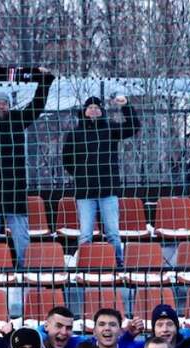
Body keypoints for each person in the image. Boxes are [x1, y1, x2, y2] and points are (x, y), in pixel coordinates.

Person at [0, 68, 54, 268]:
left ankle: (25, 268)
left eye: (4, 103)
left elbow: (37, 105)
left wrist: (45, 82)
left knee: (21, 234)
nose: (1, 106)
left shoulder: (17, 119)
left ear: (9, 105)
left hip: (14, 187)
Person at [61, 94, 140, 266]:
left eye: (97, 107)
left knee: (112, 233)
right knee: (85, 234)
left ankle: (118, 264)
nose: (93, 110)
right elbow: (66, 158)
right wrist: (80, 174)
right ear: (84, 111)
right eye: (90, 107)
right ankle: (83, 266)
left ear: (102, 111)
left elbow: (133, 127)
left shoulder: (110, 129)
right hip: (85, 192)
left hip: (108, 190)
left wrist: (126, 106)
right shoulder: (75, 134)